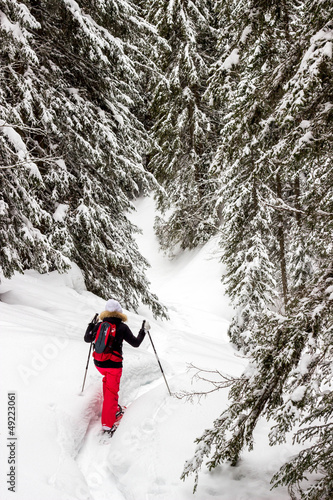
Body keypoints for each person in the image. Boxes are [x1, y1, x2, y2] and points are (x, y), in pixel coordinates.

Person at [84, 298, 146, 433]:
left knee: (107, 383)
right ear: (119, 312)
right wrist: (143, 331)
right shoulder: (122, 326)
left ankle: (113, 409)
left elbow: (87, 338)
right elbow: (135, 343)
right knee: (112, 392)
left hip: (99, 363)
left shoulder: (100, 324)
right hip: (113, 365)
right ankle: (108, 424)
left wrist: (91, 324)